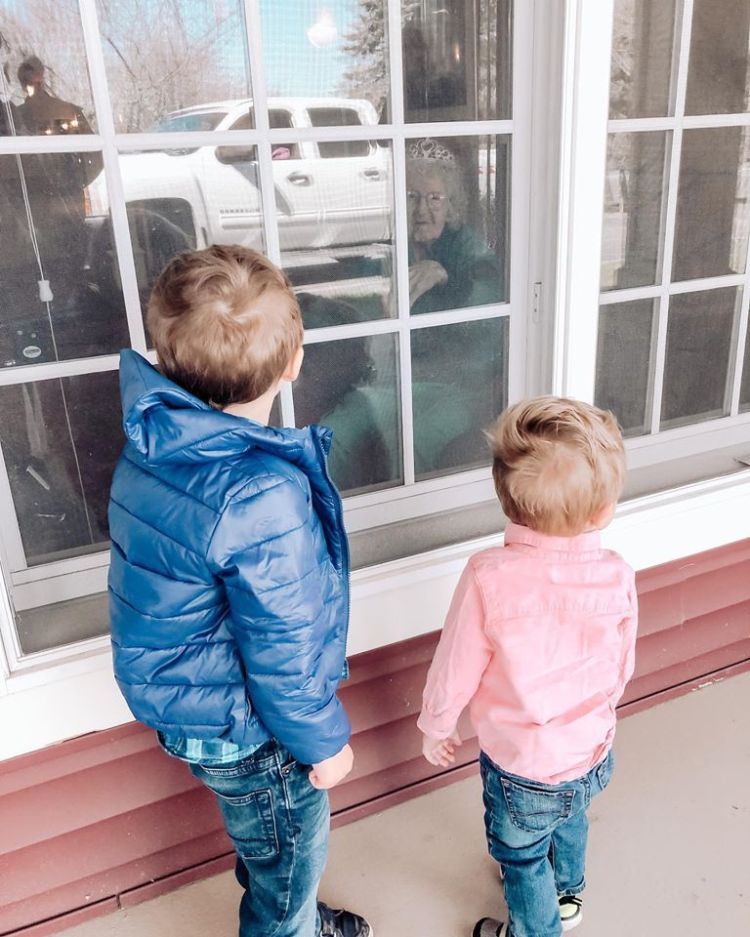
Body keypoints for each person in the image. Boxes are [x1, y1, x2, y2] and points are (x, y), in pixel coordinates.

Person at [108, 245, 371, 937]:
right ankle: (290, 922)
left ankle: (293, 911)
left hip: (190, 705)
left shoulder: (153, 443)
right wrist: (325, 744)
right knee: (288, 856)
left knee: (262, 837)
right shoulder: (261, 495)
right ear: (294, 362)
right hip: (254, 730)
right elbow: (283, 653)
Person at [418, 397, 638, 937]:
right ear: (603, 510)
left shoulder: (489, 576)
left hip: (523, 768)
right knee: (571, 819)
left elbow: (456, 666)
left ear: (506, 501)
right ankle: (568, 894)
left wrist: (436, 726)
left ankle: (537, 928)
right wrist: (598, 717)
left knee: (520, 857)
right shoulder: (615, 573)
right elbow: (622, 662)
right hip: (591, 752)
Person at [406, 137, 503, 315]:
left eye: (434, 198)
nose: (421, 209)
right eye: (412, 196)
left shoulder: (469, 248)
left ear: (450, 204)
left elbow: (486, 304)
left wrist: (445, 278)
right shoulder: (404, 243)